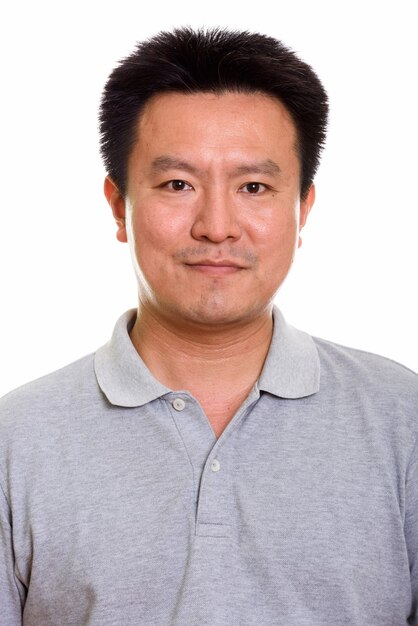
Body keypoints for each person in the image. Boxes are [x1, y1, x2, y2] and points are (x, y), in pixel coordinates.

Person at [0, 26, 417, 626]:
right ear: (119, 207)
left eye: (254, 186)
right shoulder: (17, 440)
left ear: (303, 208)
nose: (217, 226)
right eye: (178, 185)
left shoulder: (403, 421)